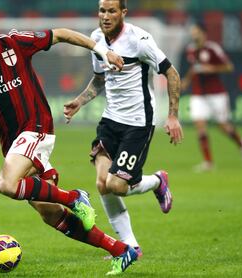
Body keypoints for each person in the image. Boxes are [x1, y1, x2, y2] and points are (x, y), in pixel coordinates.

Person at [0, 6, 138, 275]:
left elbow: (62, 34)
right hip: (12, 144)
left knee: (7, 185)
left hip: (36, 128)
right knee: (50, 214)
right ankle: (121, 250)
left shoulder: (14, 43)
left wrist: (102, 51)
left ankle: (75, 197)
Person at [63, 0, 183, 266]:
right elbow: (100, 79)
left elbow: (172, 73)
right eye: (102, 11)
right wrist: (79, 102)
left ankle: (157, 181)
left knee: (118, 185)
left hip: (138, 122)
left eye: (112, 11)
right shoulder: (96, 39)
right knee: (102, 184)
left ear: (123, 13)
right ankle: (131, 246)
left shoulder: (139, 40)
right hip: (110, 120)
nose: (105, 16)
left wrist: (173, 115)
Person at [181, 21, 242, 172]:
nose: (193, 34)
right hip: (198, 94)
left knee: (223, 126)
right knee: (200, 126)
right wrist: (186, 80)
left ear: (203, 33)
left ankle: (241, 143)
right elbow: (194, 68)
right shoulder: (191, 50)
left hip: (216, 93)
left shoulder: (212, 48)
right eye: (192, 31)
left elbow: (229, 66)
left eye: (195, 31)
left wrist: (211, 68)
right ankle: (208, 162)